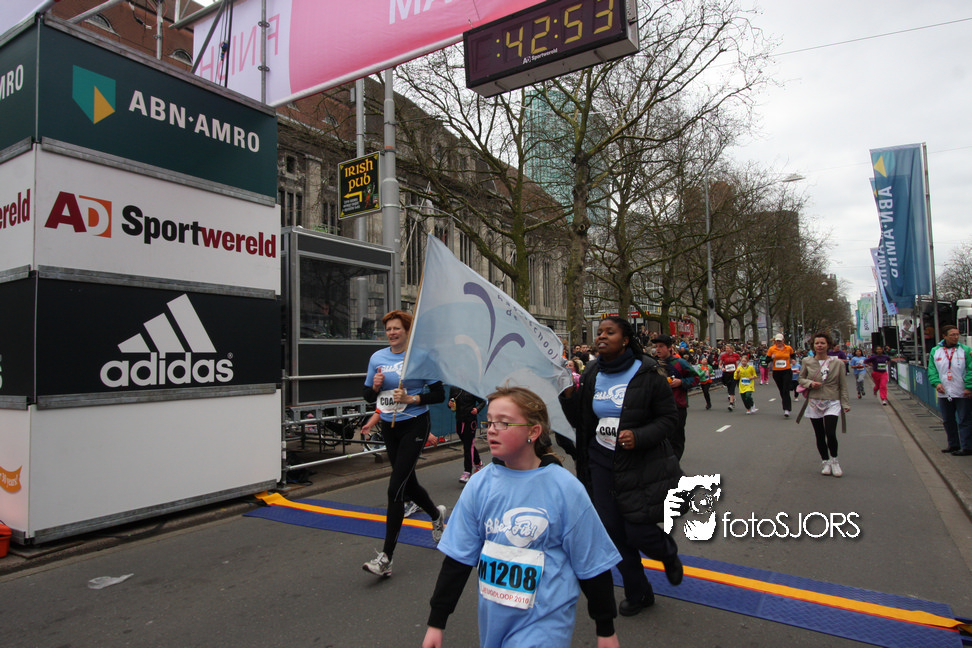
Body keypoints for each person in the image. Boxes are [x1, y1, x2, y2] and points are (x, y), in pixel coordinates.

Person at [423, 387, 621, 648]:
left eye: (504, 422)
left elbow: (592, 562)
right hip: (494, 623)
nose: (491, 430)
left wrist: (605, 628)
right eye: (489, 421)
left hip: (545, 624)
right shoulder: (479, 485)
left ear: (533, 431)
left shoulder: (564, 488)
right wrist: (436, 622)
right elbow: (458, 559)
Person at [561, 316, 684, 618]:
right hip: (601, 462)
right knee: (614, 533)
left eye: (610, 332)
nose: (601, 336)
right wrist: (568, 397)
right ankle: (638, 592)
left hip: (640, 463)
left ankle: (666, 553)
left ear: (626, 339)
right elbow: (581, 420)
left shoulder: (648, 372)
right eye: (599, 332)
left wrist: (638, 436)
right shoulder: (591, 372)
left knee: (637, 531)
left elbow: (669, 419)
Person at [361, 310, 447, 577]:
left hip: (415, 424)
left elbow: (439, 394)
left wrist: (412, 399)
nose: (392, 333)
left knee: (395, 489)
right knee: (408, 483)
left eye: (397, 328)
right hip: (390, 426)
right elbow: (367, 396)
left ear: (407, 331)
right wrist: (375, 387)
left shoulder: (420, 357)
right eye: (388, 329)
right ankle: (436, 515)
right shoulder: (377, 358)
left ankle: (386, 558)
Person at [798, 332, 851, 477]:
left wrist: (845, 403)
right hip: (814, 400)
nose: (819, 346)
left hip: (832, 400)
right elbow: (801, 379)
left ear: (828, 345)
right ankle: (825, 461)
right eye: (817, 343)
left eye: (822, 343)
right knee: (819, 434)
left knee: (830, 432)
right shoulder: (807, 361)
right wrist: (810, 383)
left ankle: (835, 460)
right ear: (813, 346)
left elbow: (843, 385)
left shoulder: (838, 363)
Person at [927, 325, 972, 456]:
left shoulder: (966, 350)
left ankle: (967, 447)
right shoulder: (936, 351)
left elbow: (971, 369)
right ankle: (953, 444)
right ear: (944, 336)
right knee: (948, 420)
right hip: (944, 392)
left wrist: (969, 387)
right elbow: (932, 370)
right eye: (952, 335)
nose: (956, 337)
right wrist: (936, 383)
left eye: (957, 334)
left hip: (962, 392)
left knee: (964, 420)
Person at [653, 334, 699, 459]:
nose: (658, 349)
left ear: (669, 348)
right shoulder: (653, 364)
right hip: (658, 407)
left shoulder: (680, 363)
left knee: (676, 437)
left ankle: (674, 462)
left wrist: (681, 382)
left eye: (661, 346)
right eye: (656, 346)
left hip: (677, 406)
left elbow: (695, 378)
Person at [449, 387, 486, 483]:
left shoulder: (472, 388)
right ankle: (478, 463)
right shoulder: (454, 388)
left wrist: (477, 409)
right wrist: (450, 404)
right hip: (459, 420)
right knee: (468, 444)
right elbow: (451, 403)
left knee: (468, 446)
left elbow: (483, 401)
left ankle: (467, 472)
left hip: (470, 421)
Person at [765, 333, 796, 418]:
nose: (778, 342)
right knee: (781, 390)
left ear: (783, 340)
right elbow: (766, 360)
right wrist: (771, 357)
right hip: (777, 372)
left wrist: (793, 360)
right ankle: (786, 405)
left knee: (786, 389)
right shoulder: (772, 349)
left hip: (787, 371)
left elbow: (793, 355)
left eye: (780, 341)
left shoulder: (788, 348)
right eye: (777, 341)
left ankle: (787, 409)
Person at [719, 344, 742, 412]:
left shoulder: (736, 355)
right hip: (726, 373)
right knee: (728, 385)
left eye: (728, 348)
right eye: (726, 348)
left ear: (731, 349)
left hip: (734, 373)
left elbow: (741, 360)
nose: (727, 349)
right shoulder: (723, 356)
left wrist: (738, 366)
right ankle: (731, 396)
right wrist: (722, 368)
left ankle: (731, 403)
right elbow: (720, 364)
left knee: (732, 386)